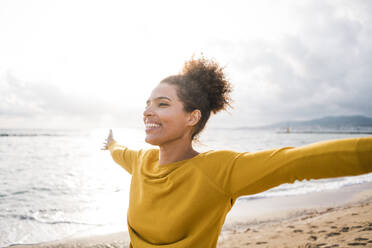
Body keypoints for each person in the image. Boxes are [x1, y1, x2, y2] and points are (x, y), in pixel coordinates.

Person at [101, 56, 372, 248]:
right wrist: (112, 143)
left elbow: (297, 162)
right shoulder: (141, 161)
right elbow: (118, 152)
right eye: (147, 104)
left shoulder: (219, 170)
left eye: (162, 104)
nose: (148, 111)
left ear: (192, 117)